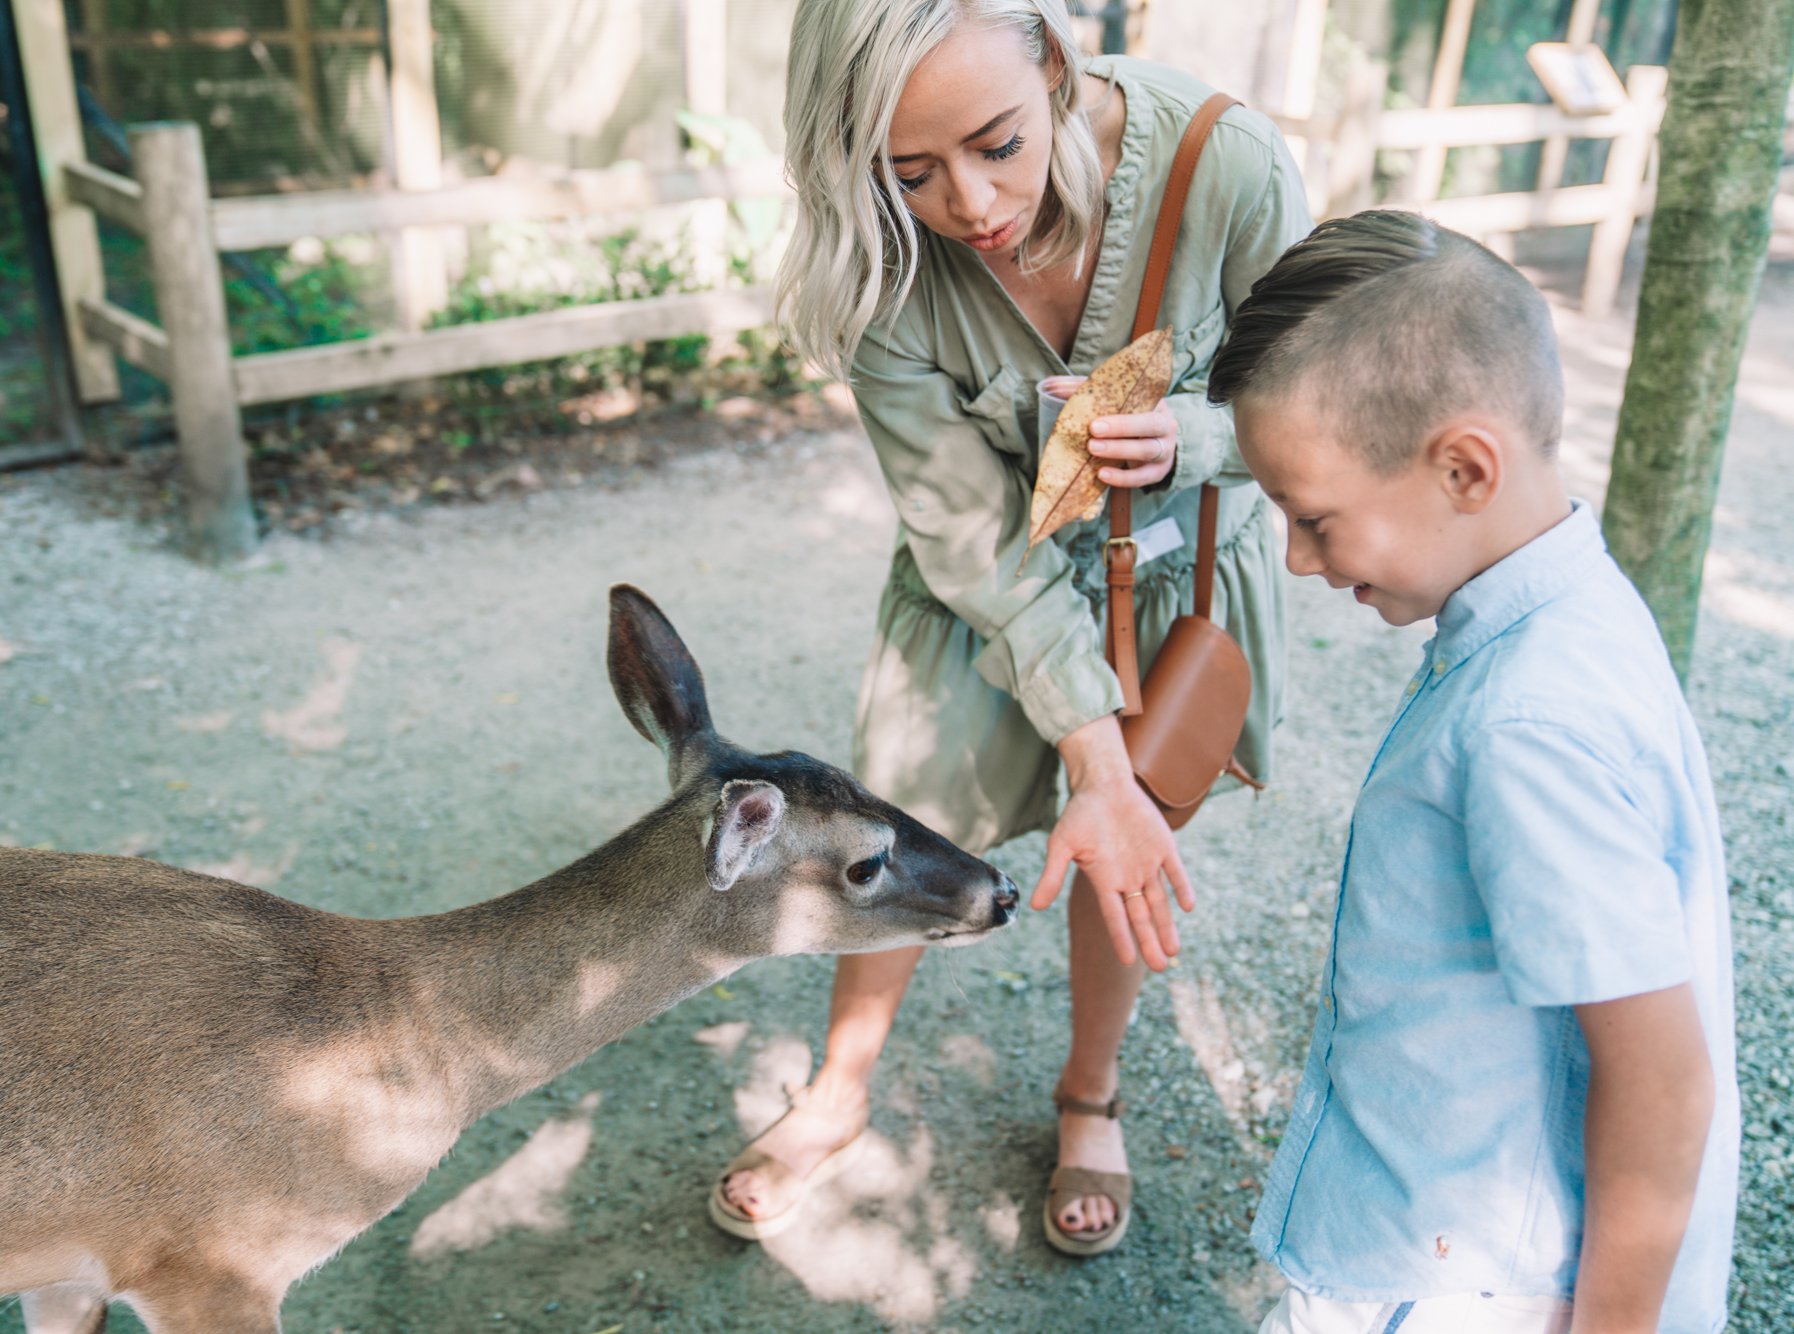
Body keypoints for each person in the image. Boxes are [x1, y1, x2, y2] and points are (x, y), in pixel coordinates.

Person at [706, 0, 1310, 1253]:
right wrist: (1088, 746)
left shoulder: (1226, 164)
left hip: (1180, 584)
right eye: (908, 171)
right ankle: (839, 1087)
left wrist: (1196, 436)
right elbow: (972, 540)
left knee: (1123, 846)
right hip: (985, 589)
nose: (970, 205)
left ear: (1050, 59)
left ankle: (1089, 1094)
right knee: (899, 845)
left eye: (995, 143)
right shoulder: (879, 266)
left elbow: (1317, 393)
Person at [1208, 210, 1737, 1334]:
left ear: (1461, 466)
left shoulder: (1525, 722)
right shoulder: (1571, 611)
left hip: (1463, 1283)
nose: (1296, 558)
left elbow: (1658, 1077)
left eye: (1312, 518)